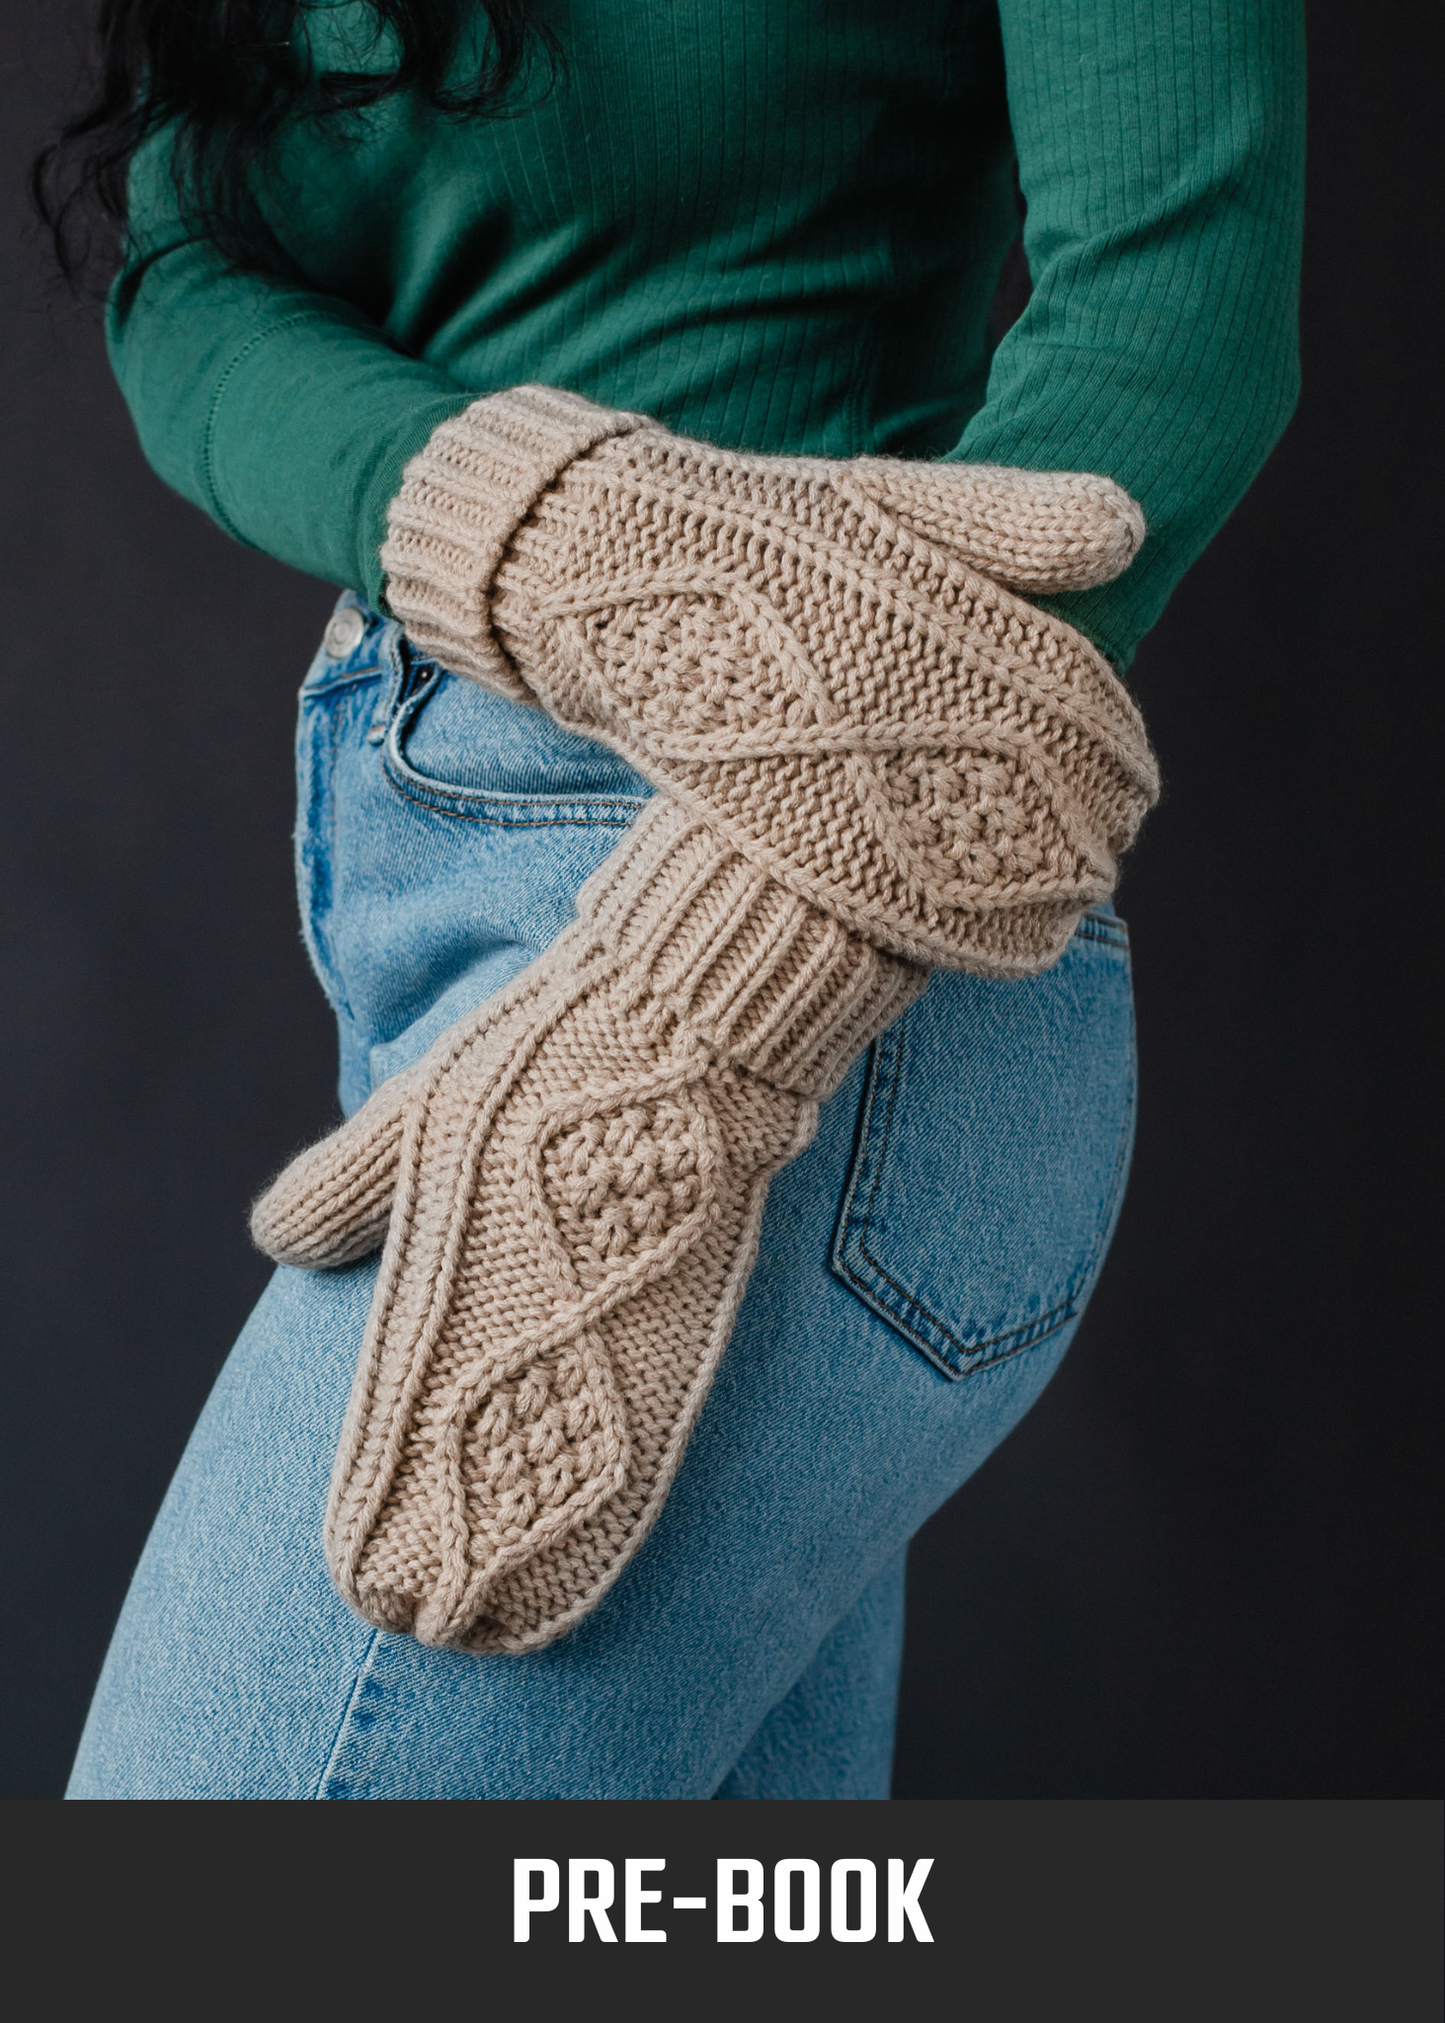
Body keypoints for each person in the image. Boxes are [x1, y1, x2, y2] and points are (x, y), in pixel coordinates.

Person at [42, 0, 1303, 1800]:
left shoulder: (750, 969)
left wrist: (723, 975)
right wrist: (537, 525)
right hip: (444, 922)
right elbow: (189, 268)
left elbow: (1182, 303)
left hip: (817, 961)